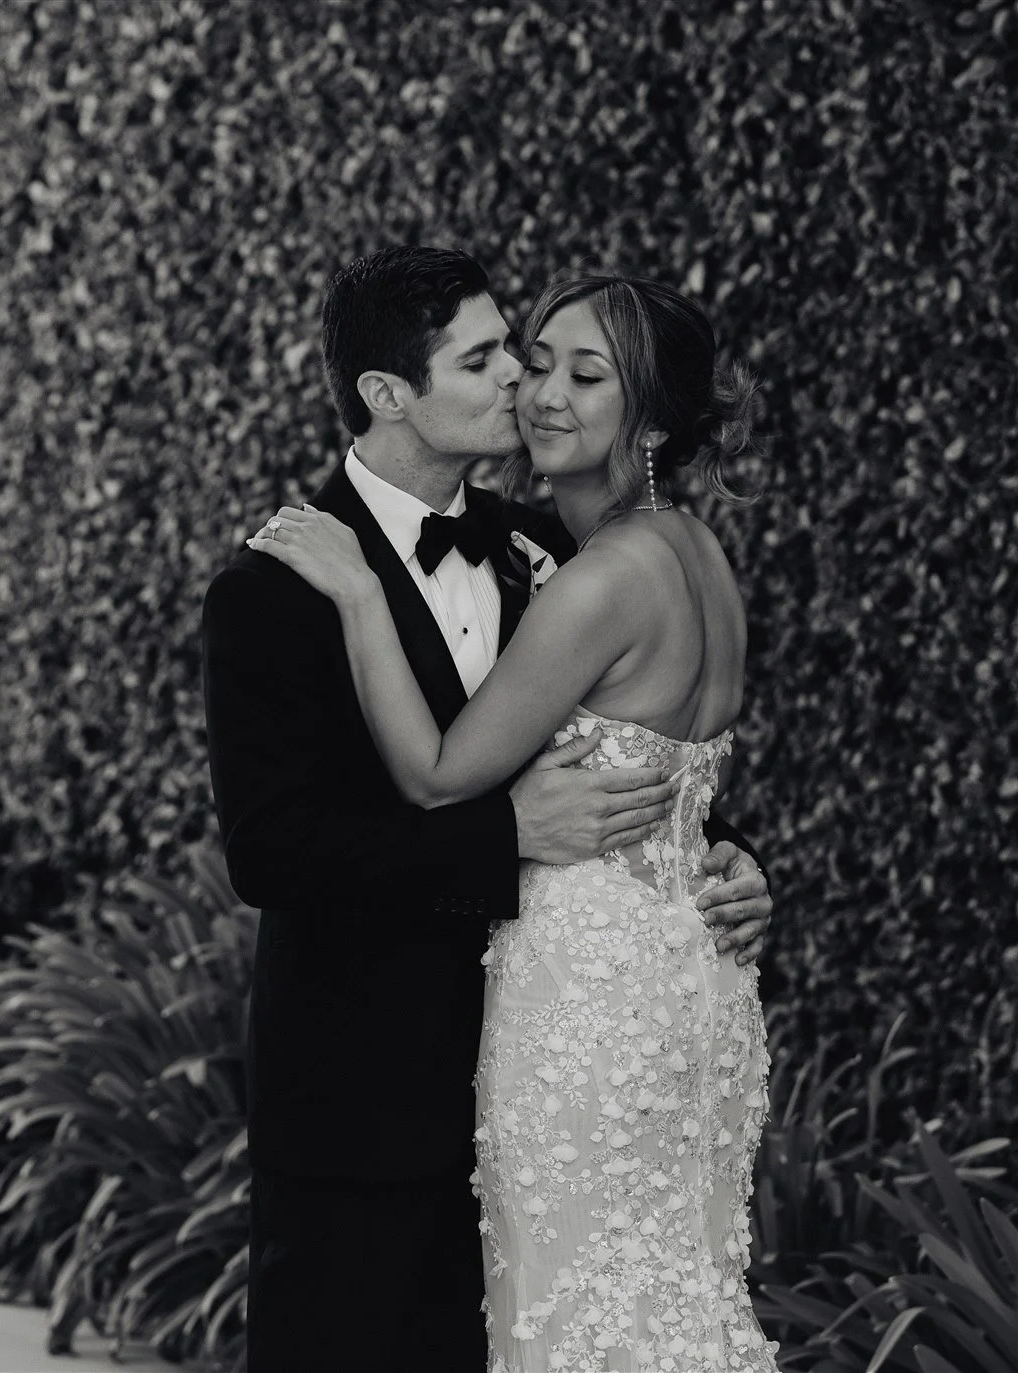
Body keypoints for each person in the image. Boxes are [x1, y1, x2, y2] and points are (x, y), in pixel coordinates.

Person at [200, 246, 774, 1370]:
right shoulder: (275, 588)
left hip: (558, 1072)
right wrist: (504, 838)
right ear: (387, 394)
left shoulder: (556, 552)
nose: (519, 378)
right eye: (487, 357)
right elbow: (274, 851)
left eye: (529, 352)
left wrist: (723, 856)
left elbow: (636, 746)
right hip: (367, 1098)